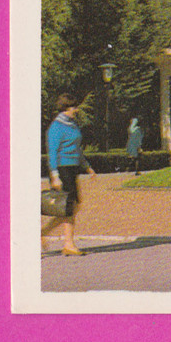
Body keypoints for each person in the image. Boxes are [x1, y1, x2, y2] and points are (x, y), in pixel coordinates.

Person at [42, 93, 96, 256]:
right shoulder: (56, 127)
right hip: (62, 168)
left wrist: (87, 167)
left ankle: (44, 232)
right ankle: (69, 244)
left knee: (74, 206)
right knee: (69, 207)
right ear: (66, 108)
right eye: (74, 107)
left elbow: (77, 148)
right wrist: (55, 175)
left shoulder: (72, 124)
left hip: (73, 168)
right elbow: (52, 152)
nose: (77, 109)